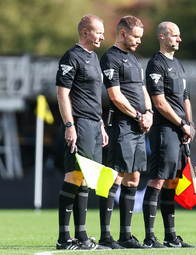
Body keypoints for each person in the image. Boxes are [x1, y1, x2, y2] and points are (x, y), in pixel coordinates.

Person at [55, 14, 109, 250]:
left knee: (86, 177)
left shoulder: (94, 58)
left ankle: (82, 237)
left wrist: (100, 124)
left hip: (93, 125)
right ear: (85, 32)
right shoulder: (71, 57)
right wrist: (69, 126)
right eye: (98, 32)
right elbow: (62, 93)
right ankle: (63, 238)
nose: (103, 36)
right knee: (75, 175)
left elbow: (93, 97)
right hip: (79, 124)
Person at [99, 15, 153, 249]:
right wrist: (139, 115)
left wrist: (149, 111)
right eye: (136, 36)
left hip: (138, 126)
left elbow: (142, 89)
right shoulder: (110, 57)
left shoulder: (134, 59)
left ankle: (125, 236)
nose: (139, 41)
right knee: (115, 176)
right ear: (123, 34)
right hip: (121, 125)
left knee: (134, 177)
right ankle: (105, 236)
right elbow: (115, 96)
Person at [142, 21, 196, 248]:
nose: (179, 39)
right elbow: (159, 103)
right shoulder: (156, 64)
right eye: (174, 35)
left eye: (179, 35)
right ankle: (149, 237)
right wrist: (182, 123)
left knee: (173, 181)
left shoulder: (179, 65)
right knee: (158, 179)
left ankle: (171, 237)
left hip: (180, 130)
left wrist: (189, 125)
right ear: (162, 37)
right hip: (164, 130)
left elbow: (185, 98)